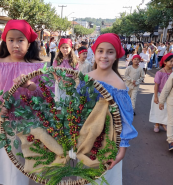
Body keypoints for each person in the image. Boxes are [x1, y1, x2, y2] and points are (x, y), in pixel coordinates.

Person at [0, 19, 44, 185]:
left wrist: (31, 85)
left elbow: (46, 93)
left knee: (23, 159)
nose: (15, 45)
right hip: (4, 121)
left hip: (29, 122)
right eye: (11, 40)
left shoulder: (38, 66)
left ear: (29, 42)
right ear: (5, 42)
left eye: (20, 40)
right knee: (5, 160)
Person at [77, 33, 137, 185]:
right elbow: (77, 107)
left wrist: (122, 150)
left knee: (105, 179)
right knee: (84, 177)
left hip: (108, 143)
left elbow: (125, 120)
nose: (104, 56)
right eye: (100, 51)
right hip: (85, 139)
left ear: (116, 55)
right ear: (94, 53)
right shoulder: (86, 78)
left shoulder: (118, 85)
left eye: (110, 52)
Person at [150, 53, 173, 134]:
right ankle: (157, 124)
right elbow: (156, 85)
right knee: (159, 111)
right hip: (160, 94)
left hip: (169, 95)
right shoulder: (160, 72)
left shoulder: (172, 73)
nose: (172, 63)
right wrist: (156, 96)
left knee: (167, 111)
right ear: (165, 62)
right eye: (171, 61)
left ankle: (164, 123)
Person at [53, 38, 78, 108]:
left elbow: (76, 72)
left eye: (67, 47)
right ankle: (59, 116)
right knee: (59, 101)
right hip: (59, 83)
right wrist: (58, 79)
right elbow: (53, 70)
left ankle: (68, 117)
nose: (65, 49)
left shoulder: (74, 60)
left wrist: (70, 80)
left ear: (70, 48)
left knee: (69, 102)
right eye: (63, 47)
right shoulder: (57, 60)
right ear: (60, 48)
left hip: (69, 84)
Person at [159, 57, 173, 150]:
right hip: (171, 100)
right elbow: (166, 88)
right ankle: (170, 140)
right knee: (171, 121)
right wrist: (161, 101)